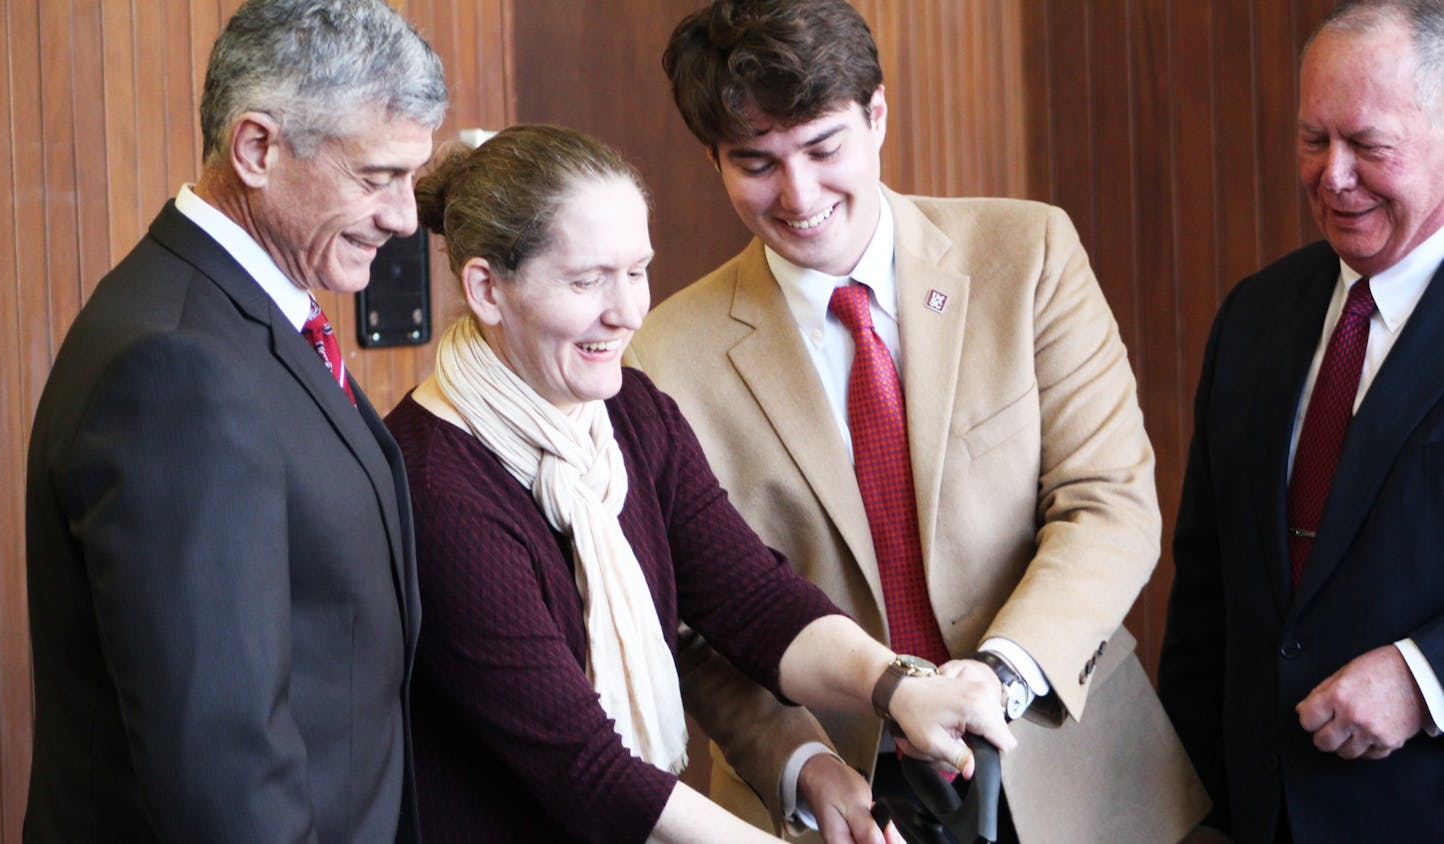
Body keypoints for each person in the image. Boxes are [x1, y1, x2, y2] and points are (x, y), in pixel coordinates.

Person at [624, 2, 1210, 842]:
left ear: (878, 116)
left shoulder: (1029, 254)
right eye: (757, 163)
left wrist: (996, 679)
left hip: (1067, 763)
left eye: (824, 149)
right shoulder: (662, 357)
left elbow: (1110, 502)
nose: (799, 195)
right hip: (834, 796)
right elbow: (688, 629)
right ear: (714, 159)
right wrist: (804, 766)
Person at [386, 123, 1015, 844]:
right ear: (486, 289)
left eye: (636, 270)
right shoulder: (436, 488)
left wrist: (899, 687)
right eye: (587, 280)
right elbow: (586, 773)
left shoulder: (629, 409)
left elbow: (753, 600)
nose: (625, 311)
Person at [21, 1, 445, 840]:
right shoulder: (177, 368)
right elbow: (223, 767)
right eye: (376, 178)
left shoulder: (241, 314)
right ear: (257, 148)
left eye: (412, 180)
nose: (403, 218)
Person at [1158, 1, 1444, 840]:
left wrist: (1425, 676)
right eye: (1314, 139)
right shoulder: (1256, 314)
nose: (1334, 175)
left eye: (1369, 145)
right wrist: (1190, 806)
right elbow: (1206, 594)